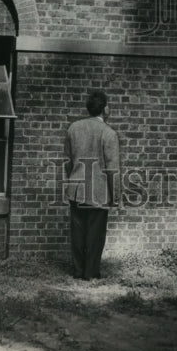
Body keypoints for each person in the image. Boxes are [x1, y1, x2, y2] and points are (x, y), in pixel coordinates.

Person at [64, 89, 120, 280]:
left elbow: (68, 160)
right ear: (106, 109)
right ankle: (91, 273)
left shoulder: (73, 128)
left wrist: (72, 180)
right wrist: (116, 195)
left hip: (76, 187)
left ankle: (79, 271)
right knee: (95, 235)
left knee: (78, 232)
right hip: (99, 190)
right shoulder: (109, 133)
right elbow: (113, 168)